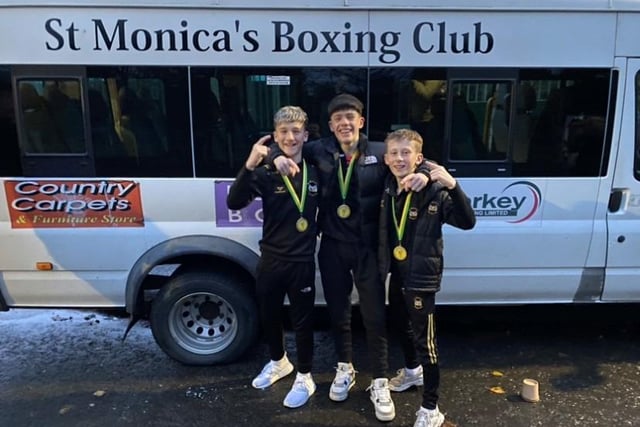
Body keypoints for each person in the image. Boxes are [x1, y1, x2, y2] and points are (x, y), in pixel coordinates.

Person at [272, 94, 430, 422]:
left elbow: (412, 159)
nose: (345, 123)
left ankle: (381, 381)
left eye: (350, 117)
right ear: (330, 126)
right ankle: (345, 368)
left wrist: (427, 174)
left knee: (374, 315)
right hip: (331, 245)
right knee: (338, 312)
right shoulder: (319, 150)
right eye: (338, 118)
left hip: (369, 248)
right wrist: (274, 157)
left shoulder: (379, 151)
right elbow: (284, 147)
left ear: (361, 121)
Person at [378, 129, 476, 427]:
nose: (399, 158)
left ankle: (431, 408)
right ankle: (411, 372)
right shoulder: (386, 187)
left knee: (427, 344)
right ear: (386, 158)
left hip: (422, 277)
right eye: (394, 153)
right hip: (396, 274)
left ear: (418, 157)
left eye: (406, 153)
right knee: (401, 327)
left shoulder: (434, 190)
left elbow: (467, 222)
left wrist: (449, 181)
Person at [226, 106, 320, 409]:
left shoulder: (318, 169)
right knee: (269, 314)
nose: (290, 137)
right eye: (284, 132)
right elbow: (234, 201)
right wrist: (252, 163)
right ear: (275, 136)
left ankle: (305, 375)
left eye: (296, 131)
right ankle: (279, 362)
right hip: (270, 257)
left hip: (302, 260)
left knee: (303, 321)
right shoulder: (265, 173)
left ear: (306, 135)